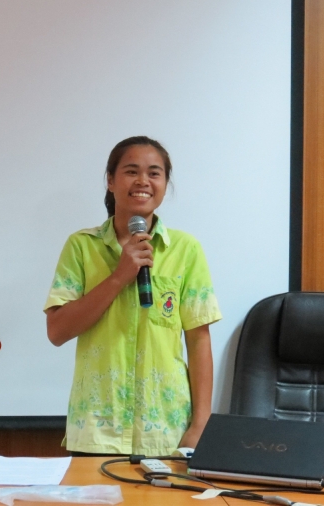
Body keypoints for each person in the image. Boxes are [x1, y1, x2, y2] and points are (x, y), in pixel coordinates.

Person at [44, 136, 221, 456]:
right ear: (110, 181)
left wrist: (201, 424)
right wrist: (118, 277)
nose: (143, 181)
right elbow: (57, 332)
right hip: (97, 428)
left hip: (165, 431)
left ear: (165, 184)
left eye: (154, 173)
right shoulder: (81, 246)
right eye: (131, 171)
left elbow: (198, 341)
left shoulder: (185, 249)